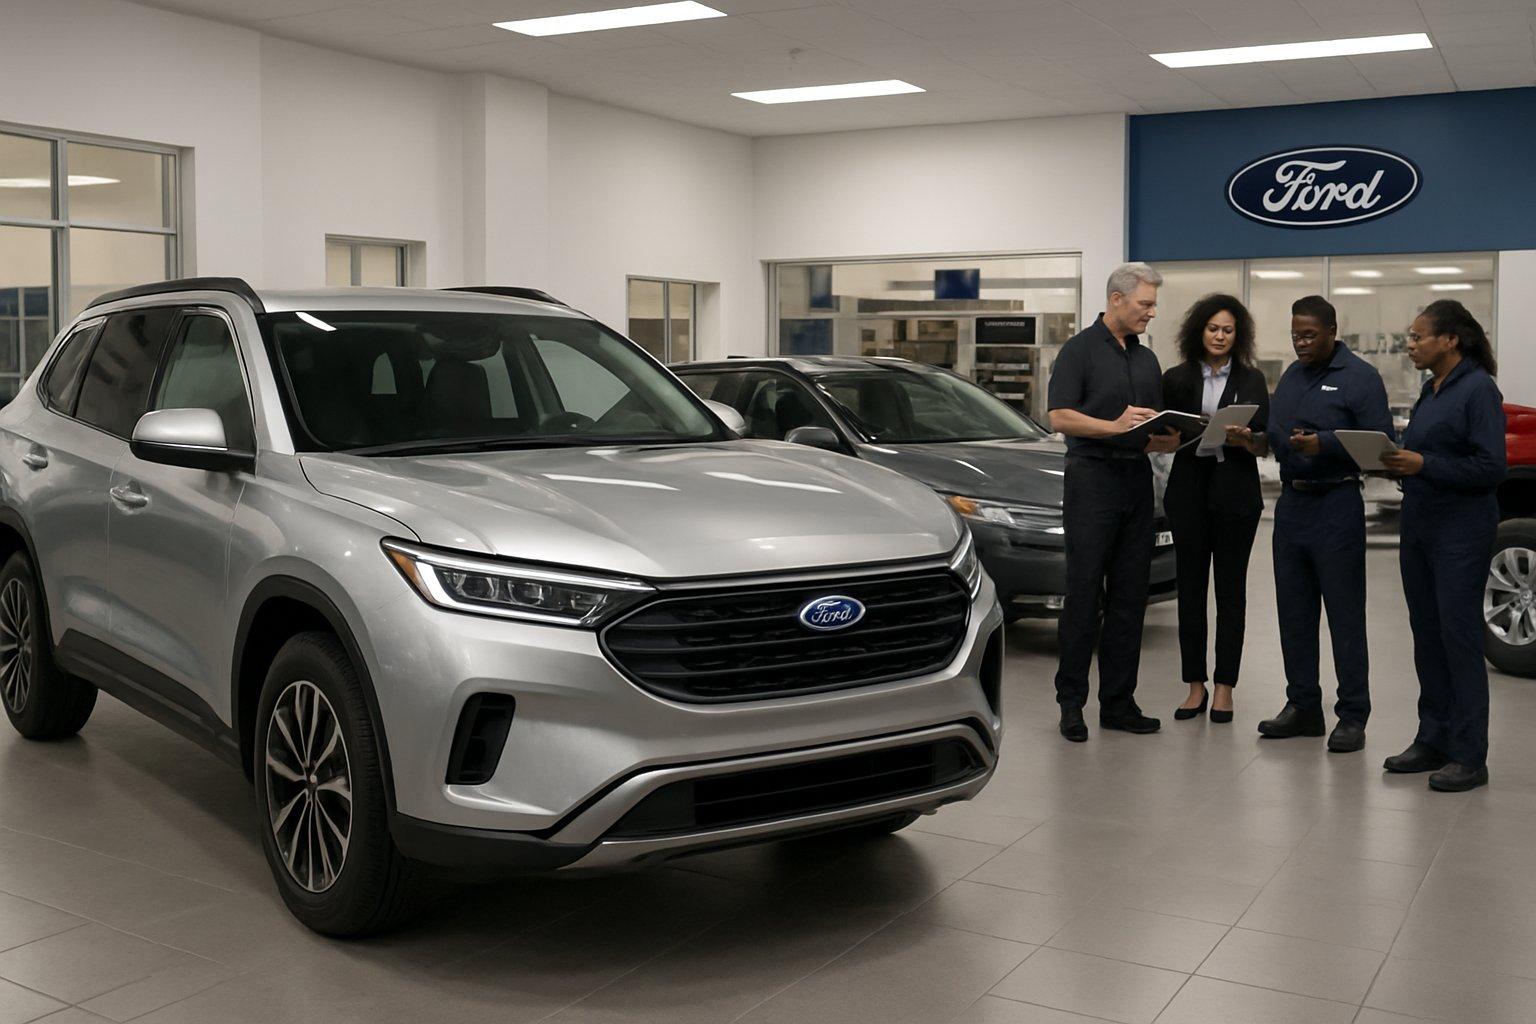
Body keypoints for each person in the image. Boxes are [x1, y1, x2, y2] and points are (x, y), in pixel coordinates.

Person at [1047, 263, 1181, 742]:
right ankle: (1071, 705)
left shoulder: (1146, 360)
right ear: (1117, 299)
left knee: (1130, 597)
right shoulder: (1078, 351)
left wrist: (1162, 440)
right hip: (1091, 481)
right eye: (1145, 304)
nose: (1152, 312)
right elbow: (1060, 416)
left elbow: (1146, 425)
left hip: (1135, 482)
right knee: (1084, 594)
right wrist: (1114, 427)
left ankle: (1119, 703)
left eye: (1153, 304)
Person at [1379, 301, 1504, 792]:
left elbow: (1490, 468)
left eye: (1418, 336)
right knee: (1426, 636)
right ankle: (1433, 737)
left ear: (1450, 339)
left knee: (1458, 638)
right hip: (1421, 528)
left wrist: (1424, 464)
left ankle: (1470, 754)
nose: (1410, 345)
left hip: (1461, 532)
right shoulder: (1431, 390)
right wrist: (1400, 463)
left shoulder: (1478, 389)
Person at [1260, 295, 1392, 752]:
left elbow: (1382, 449)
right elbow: (1279, 436)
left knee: (1344, 615)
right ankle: (1303, 706)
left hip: (1337, 502)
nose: (1300, 343)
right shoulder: (1293, 376)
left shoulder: (1361, 378)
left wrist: (1327, 444)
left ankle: (1353, 715)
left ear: (1333, 331)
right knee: (1293, 613)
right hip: (1292, 506)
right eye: (1295, 334)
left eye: (1310, 335)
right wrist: (1255, 439)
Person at [1160, 295, 1270, 724]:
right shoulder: (1176, 377)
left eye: (1227, 330)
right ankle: (1195, 686)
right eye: (1213, 329)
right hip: (1188, 492)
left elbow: (1264, 441)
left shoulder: (1253, 379)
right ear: (1198, 332)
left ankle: (1225, 687)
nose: (1220, 336)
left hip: (1236, 495)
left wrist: (1245, 437)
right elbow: (1163, 433)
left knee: (1231, 593)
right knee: (1190, 591)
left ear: (1237, 335)